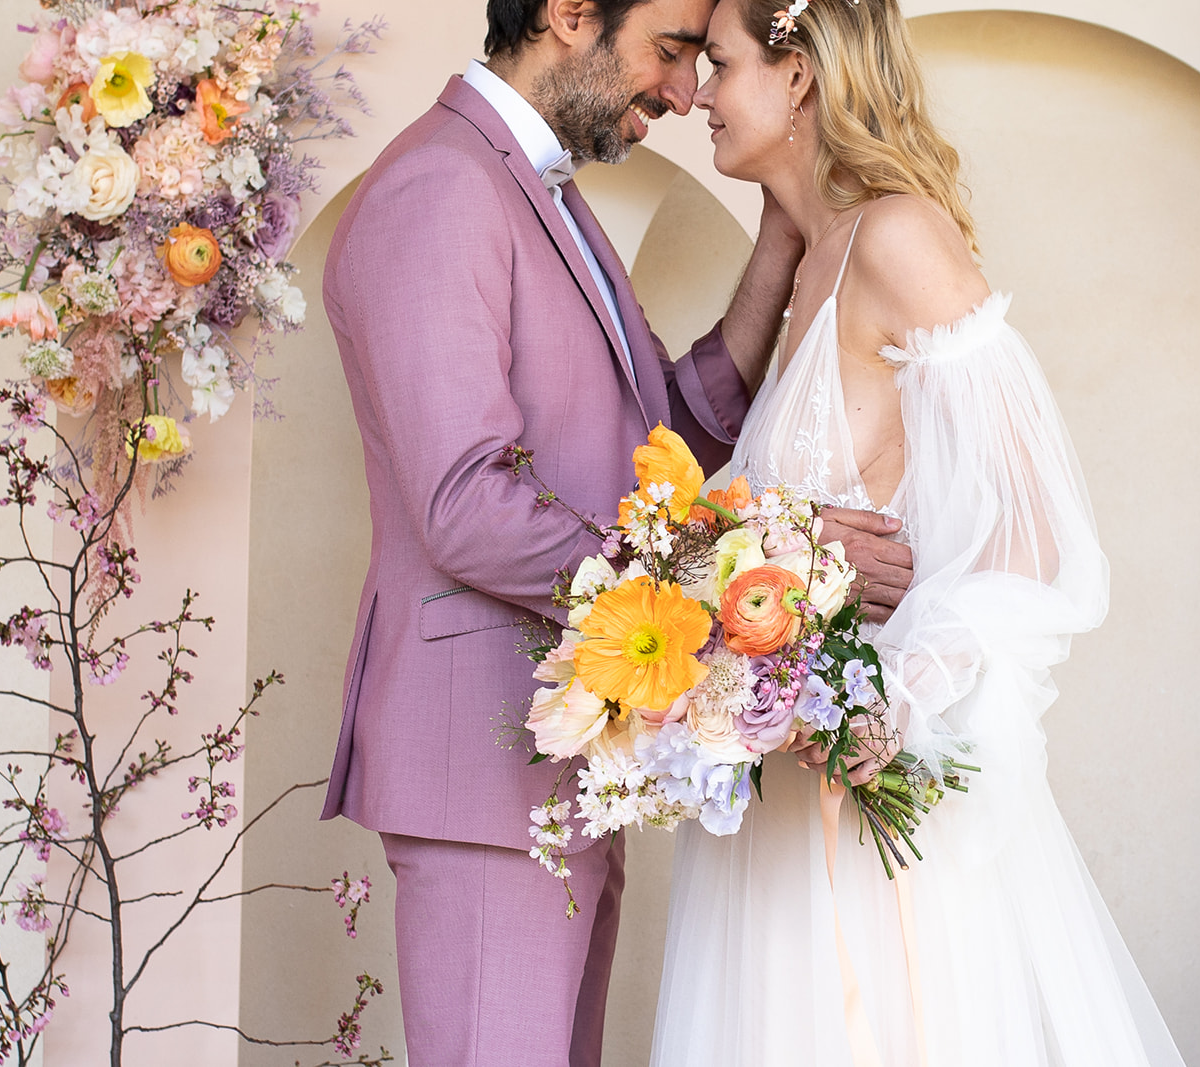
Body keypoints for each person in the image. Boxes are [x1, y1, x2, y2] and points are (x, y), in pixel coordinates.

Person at [315, 0, 915, 1062]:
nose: (683, 92)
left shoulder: (541, 192)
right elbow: (464, 505)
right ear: (569, 14)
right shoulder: (440, 188)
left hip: (563, 761)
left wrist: (781, 239)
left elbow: (665, 433)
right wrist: (753, 556)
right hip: (482, 765)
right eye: (672, 50)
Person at [649, 0, 1190, 1063]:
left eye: (716, 65)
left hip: (862, 800)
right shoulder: (810, 256)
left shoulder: (896, 235)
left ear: (796, 73)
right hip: (776, 812)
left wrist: (878, 712)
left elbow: (1033, 529)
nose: (696, 95)